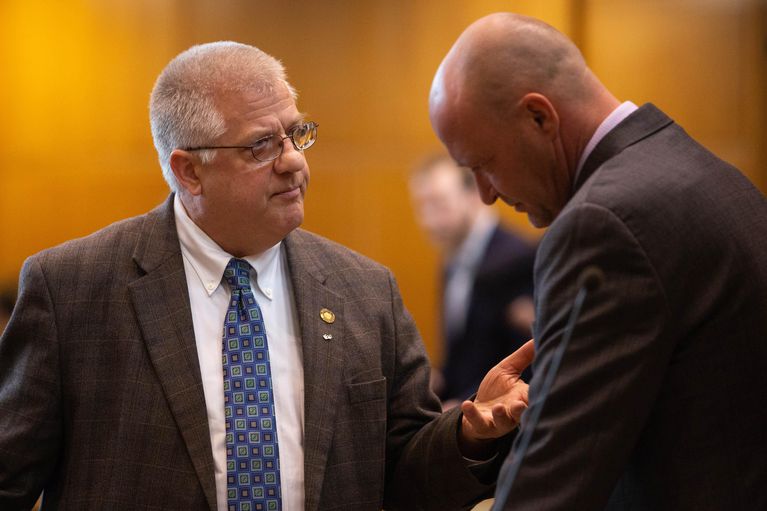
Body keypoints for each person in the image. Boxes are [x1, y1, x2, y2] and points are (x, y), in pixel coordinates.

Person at [0, 41, 535, 511]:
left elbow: (407, 473)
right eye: (261, 145)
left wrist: (467, 432)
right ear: (189, 170)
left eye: (296, 134)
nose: (294, 163)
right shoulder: (72, 289)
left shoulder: (364, 291)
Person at [429, 12, 767, 511]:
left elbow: (553, 485)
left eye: (484, 165)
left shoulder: (601, 223)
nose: (485, 196)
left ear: (540, 117)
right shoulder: (709, 172)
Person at [409, 154, 535, 407]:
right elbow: (464, 352)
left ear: (473, 195)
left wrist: (464, 403)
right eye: (422, 207)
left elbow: (524, 361)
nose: (428, 221)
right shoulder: (451, 258)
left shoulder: (517, 258)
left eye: (439, 204)